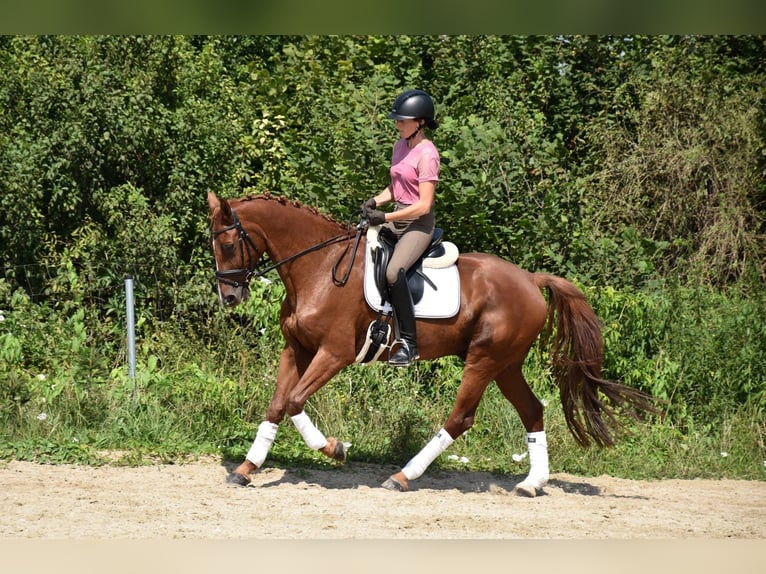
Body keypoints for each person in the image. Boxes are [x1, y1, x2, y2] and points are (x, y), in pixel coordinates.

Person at [361, 89, 441, 367]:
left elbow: (424, 205)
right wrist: (375, 201)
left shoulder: (428, 154)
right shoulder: (400, 146)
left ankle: (409, 343)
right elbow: (395, 189)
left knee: (395, 272)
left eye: (402, 120)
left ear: (419, 122)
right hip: (396, 217)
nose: (397, 124)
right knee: (359, 246)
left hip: (417, 224)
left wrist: (384, 218)